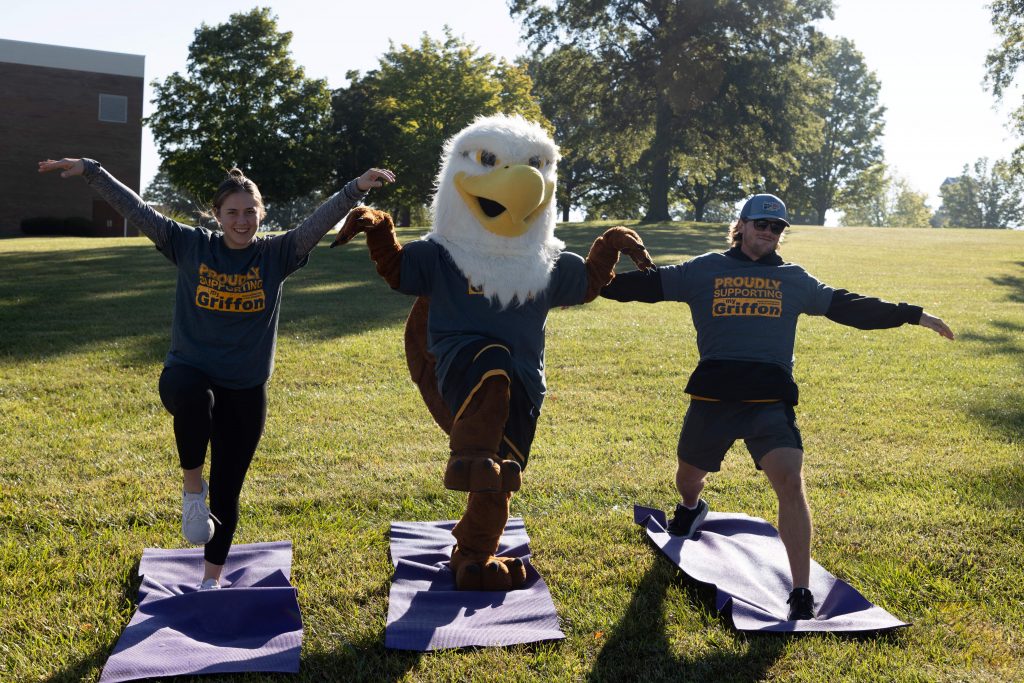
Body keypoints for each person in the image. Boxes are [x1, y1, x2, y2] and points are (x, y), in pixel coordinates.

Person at [38, 157, 394, 589]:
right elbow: (137, 210)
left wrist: (357, 186)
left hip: (245, 389)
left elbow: (316, 224)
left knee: (227, 491)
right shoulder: (191, 245)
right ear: (217, 215)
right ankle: (192, 491)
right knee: (195, 397)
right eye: (232, 212)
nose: (242, 221)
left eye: (250, 212)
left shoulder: (277, 254)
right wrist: (93, 170)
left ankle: (211, 580)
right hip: (187, 376)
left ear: (261, 214)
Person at [602, 193, 954, 620]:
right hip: (714, 397)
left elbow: (847, 305)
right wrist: (582, 279)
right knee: (688, 478)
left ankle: (801, 592)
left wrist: (912, 314)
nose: (768, 233)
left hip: (769, 401)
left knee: (790, 481)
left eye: (776, 228)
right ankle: (691, 509)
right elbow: (640, 287)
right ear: (742, 225)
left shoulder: (794, 279)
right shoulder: (703, 269)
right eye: (760, 224)